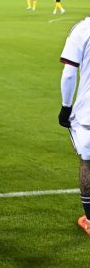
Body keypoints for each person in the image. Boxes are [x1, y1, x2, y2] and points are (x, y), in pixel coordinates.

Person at [58, 16, 90, 236]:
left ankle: (89, 218)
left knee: (87, 162)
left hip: (88, 112)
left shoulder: (82, 28)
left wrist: (66, 107)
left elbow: (69, 74)